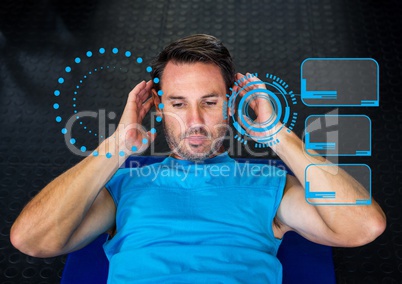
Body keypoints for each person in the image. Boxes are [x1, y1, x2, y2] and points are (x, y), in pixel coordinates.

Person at [11, 34, 386, 283]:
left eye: (209, 103)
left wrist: (277, 135)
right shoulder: (122, 186)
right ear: (158, 107)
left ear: (231, 105)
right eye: (178, 103)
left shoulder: (269, 185)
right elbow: (32, 241)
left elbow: (362, 227)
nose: (194, 122)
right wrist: (116, 147)